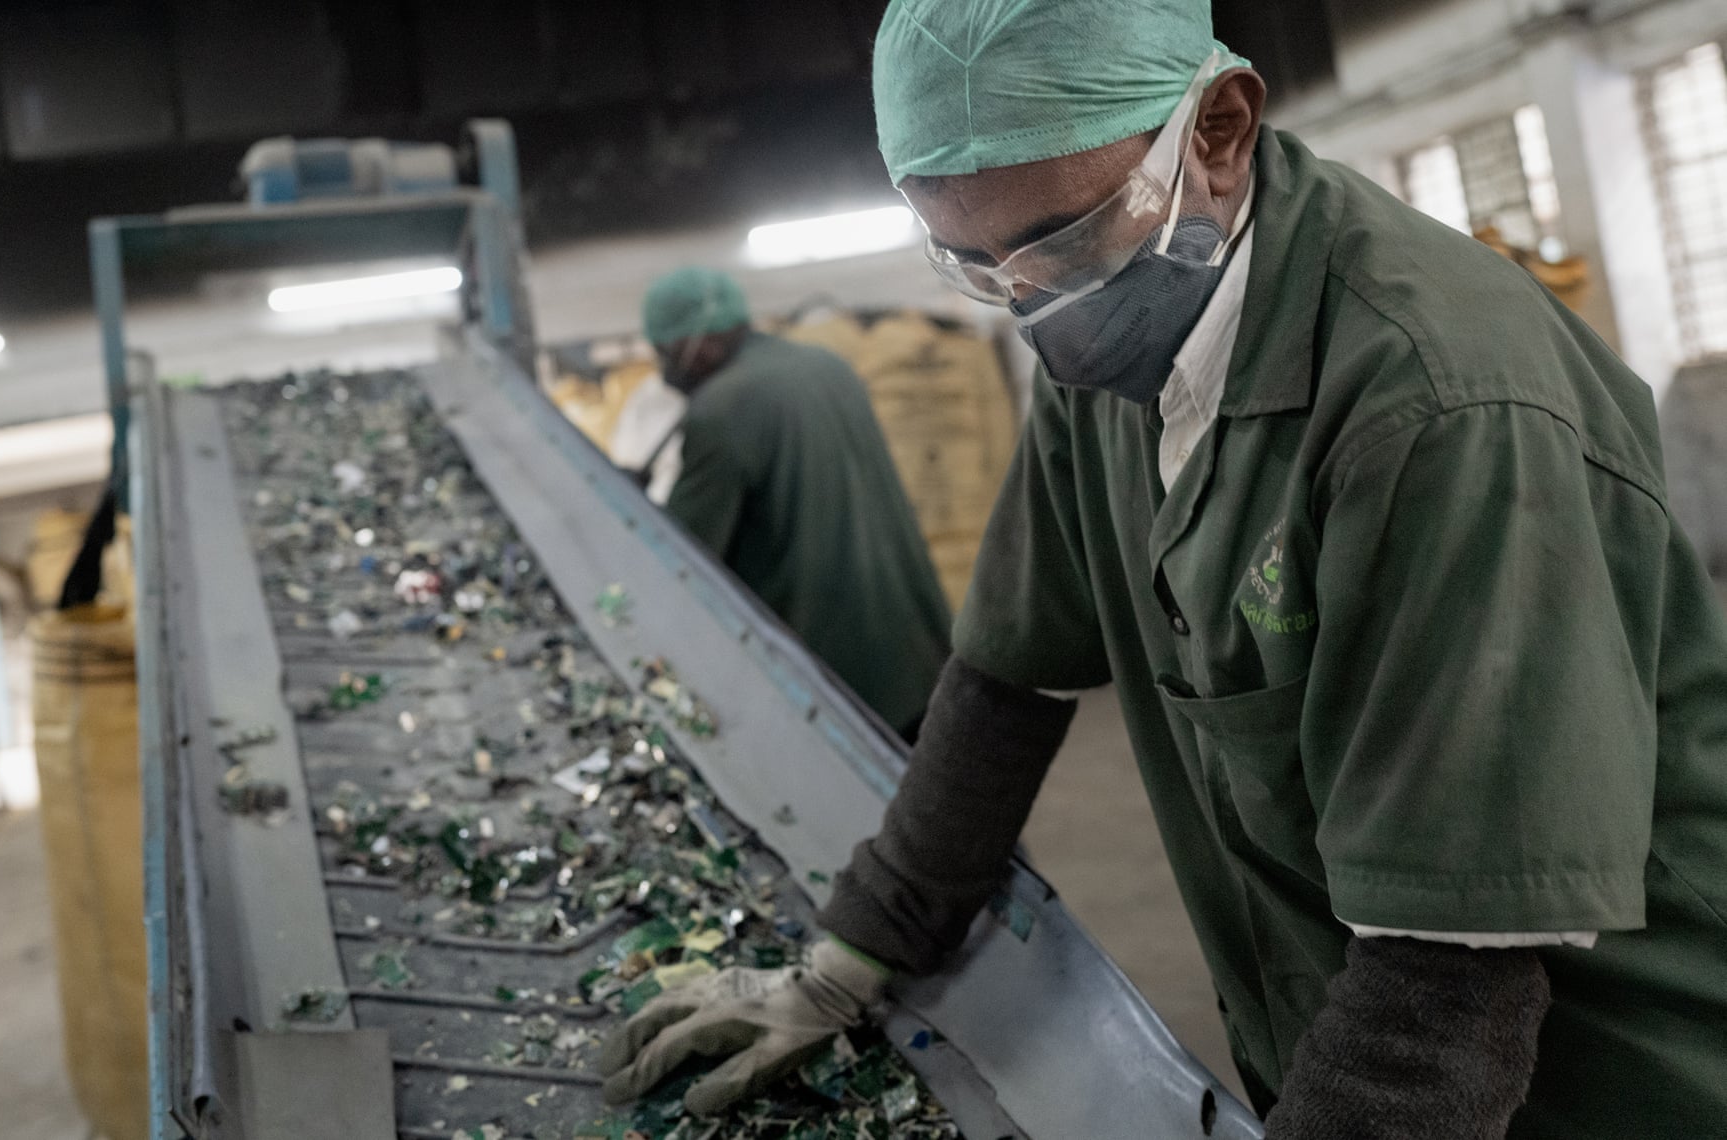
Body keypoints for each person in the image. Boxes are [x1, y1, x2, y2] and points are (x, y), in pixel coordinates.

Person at [602, 2, 1727, 1136]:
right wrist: (845, 963)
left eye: (1061, 242)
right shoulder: (1104, 350)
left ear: (1220, 128)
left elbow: (1450, 974)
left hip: (1601, 1074)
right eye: (978, 268)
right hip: (1337, 1032)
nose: (1038, 311)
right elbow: (1005, 685)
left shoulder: (1438, 409)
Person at [640, 267, 951, 741]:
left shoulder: (722, 408)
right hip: (914, 647)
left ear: (698, 342)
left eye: (665, 352)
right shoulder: (825, 365)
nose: (667, 371)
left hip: (837, 673)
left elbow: (683, 556)